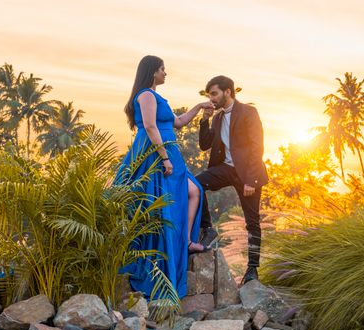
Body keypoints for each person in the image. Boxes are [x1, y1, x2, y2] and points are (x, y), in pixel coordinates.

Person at [115, 55, 213, 299]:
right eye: (162, 69)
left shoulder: (157, 96)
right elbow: (149, 127)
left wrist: (200, 107)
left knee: (194, 191)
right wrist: (164, 157)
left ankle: (187, 241)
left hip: (170, 149)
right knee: (160, 202)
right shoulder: (146, 95)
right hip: (155, 152)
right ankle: (171, 249)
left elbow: (178, 122)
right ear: (152, 72)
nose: (165, 73)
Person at [196, 75, 269, 284]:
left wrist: (251, 180)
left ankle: (252, 270)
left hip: (248, 173)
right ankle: (208, 228)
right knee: (194, 183)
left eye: (214, 93)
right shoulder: (217, 117)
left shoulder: (248, 112)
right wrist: (204, 120)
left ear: (228, 92)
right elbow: (204, 145)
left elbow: (257, 147)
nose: (212, 98)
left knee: (252, 221)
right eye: (210, 94)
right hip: (226, 169)